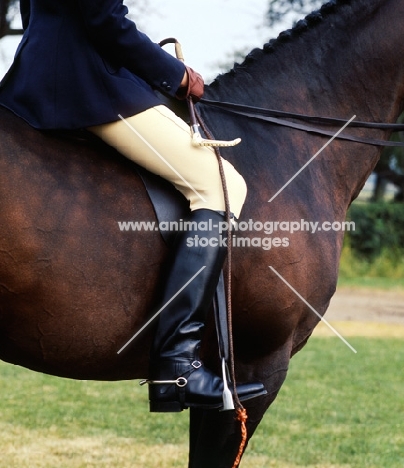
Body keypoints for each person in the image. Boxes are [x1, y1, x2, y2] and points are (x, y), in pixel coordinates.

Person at [0, 0, 265, 412]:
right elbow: (103, 18)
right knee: (221, 184)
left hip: (32, 79)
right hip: (86, 83)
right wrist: (175, 74)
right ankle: (178, 366)